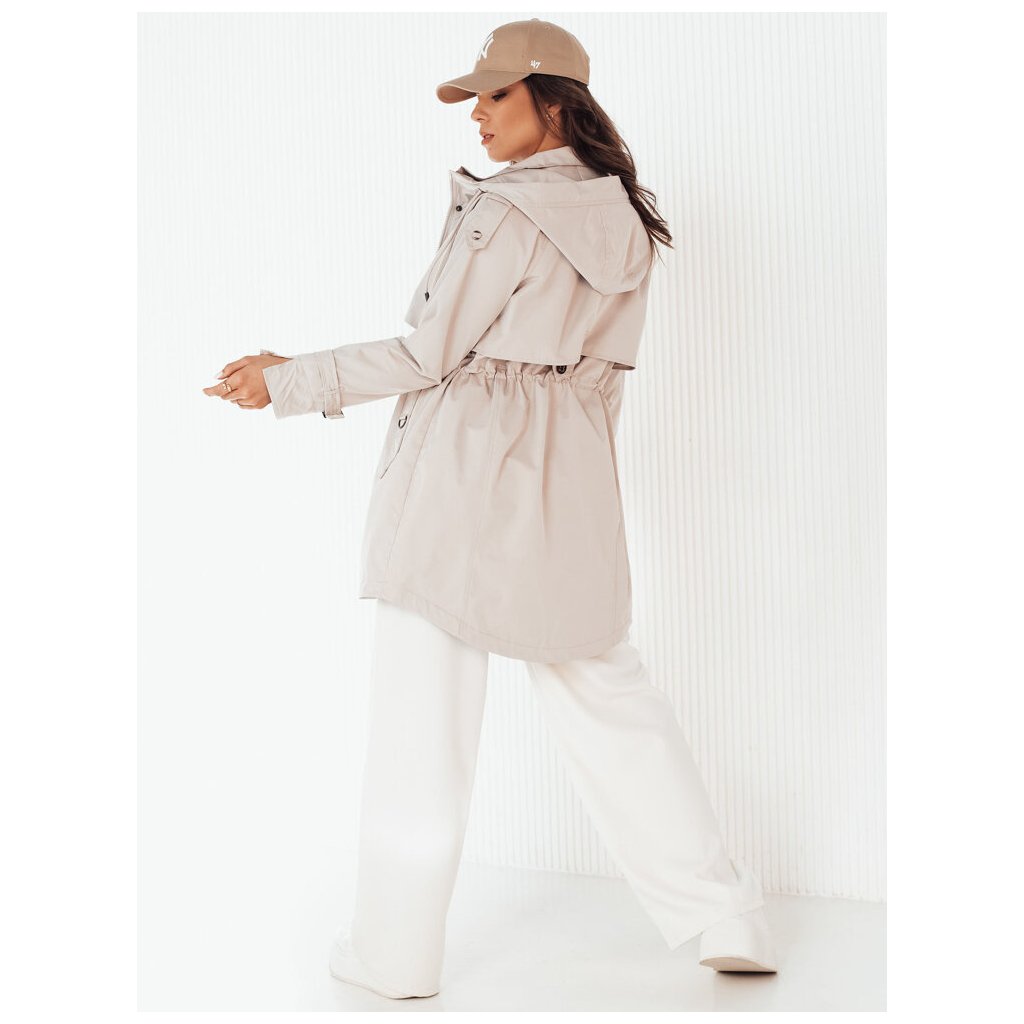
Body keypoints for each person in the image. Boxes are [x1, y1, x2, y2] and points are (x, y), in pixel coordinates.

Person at [202, 17, 779, 1001]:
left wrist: (289, 376)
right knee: (607, 688)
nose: (477, 114)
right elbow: (604, 378)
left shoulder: (502, 211)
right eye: (474, 96)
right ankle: (724, 913)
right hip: (574, 473)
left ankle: (394, 953)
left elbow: (426, 355)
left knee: (421, 718)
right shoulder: (626, 218)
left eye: (496, 94)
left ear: (554, 100)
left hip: (463, 474)